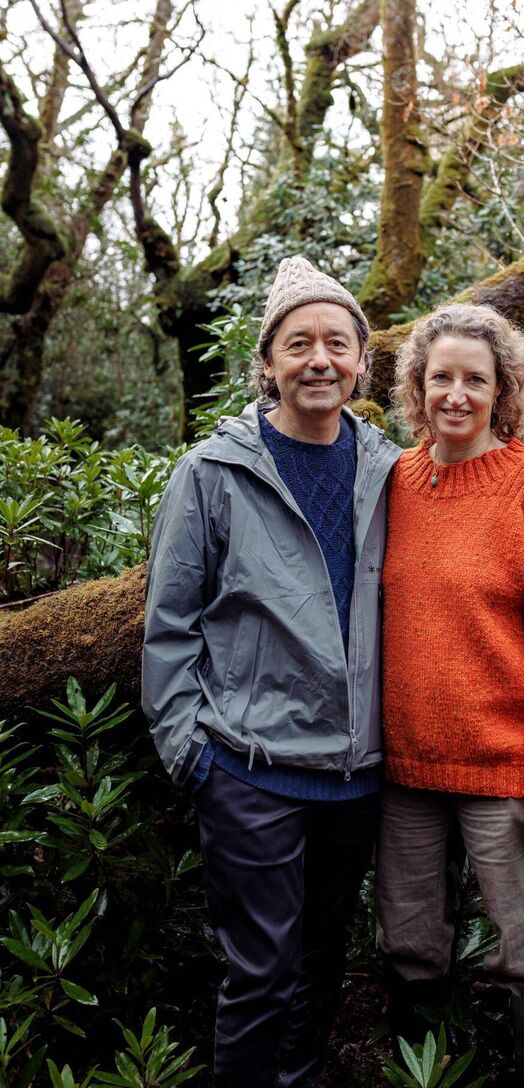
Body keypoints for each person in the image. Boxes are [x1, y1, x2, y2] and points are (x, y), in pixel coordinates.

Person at [141, 256, 401, 1088]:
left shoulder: (394, 473)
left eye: (335, 342)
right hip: (250, 773)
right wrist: (193, 753)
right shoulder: (211, 473)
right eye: (297, 344)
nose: (318, 360)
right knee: (260, 976)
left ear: (363, 361)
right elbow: (169, 625)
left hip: (357, 777)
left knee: (322, 967)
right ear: (269, 364)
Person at [376, 303, 524, 1088]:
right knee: (409, 944)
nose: (456, 394)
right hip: (402, 767)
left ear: (504, 389)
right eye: (441, 376)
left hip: (507, 768)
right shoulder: (393, 480)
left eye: (476, 379)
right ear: (417, 384)